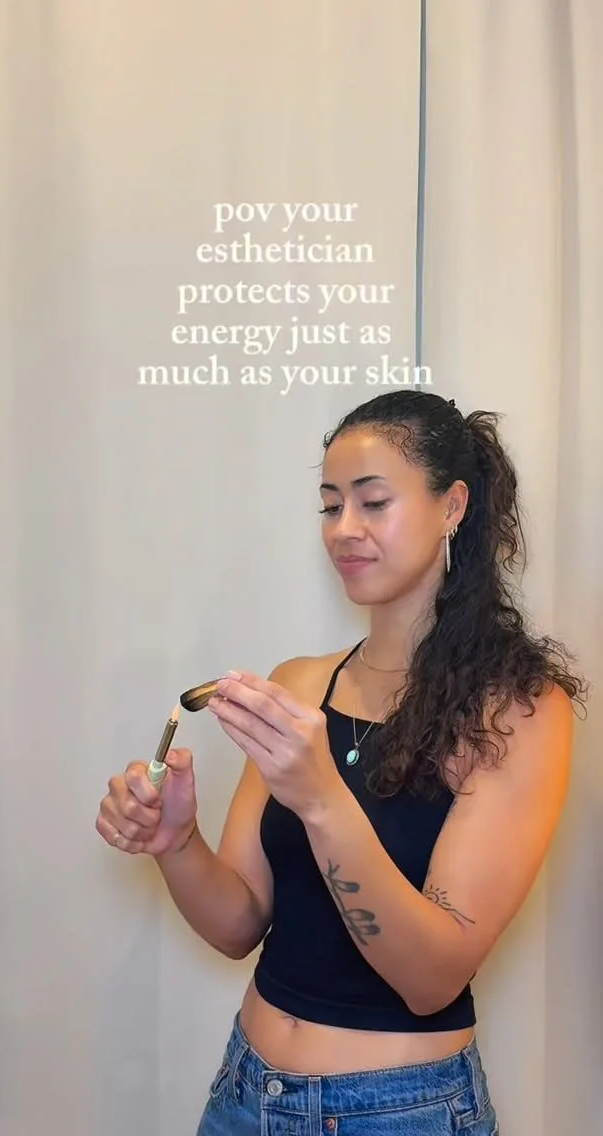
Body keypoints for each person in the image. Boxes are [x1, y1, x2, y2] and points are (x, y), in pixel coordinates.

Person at [95, 390, 586, 1135]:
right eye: (330, 506)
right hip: (245, 1095)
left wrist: (322, 796)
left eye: (373, 502)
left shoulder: (517, 709)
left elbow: (430, 980)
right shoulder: (300, 684)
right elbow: (238, 925)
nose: (344, 529)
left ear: (452, 506)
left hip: (402, 1111)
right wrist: (176, 840)